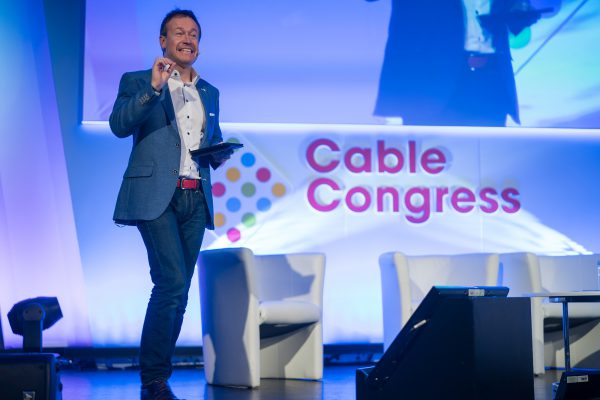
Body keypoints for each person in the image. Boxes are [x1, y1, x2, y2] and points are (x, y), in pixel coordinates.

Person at [109, 9, 230, 400]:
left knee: (178, 292)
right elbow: (119, 125)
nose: (187, 39)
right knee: (171, 283)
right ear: (163, 41)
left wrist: (218, 152)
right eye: (179, 32)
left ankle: (156, 376)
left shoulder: (209, 91)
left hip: (196, 195)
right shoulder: (138, 81)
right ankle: (154, 379)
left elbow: (209, 137)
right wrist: (154, 88)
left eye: (194, 33)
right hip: (156, 196)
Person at [367, 0, 542, 126]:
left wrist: (518, 13)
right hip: (429, 83)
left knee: (490, 166)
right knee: (433, 167)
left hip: (490, 79)